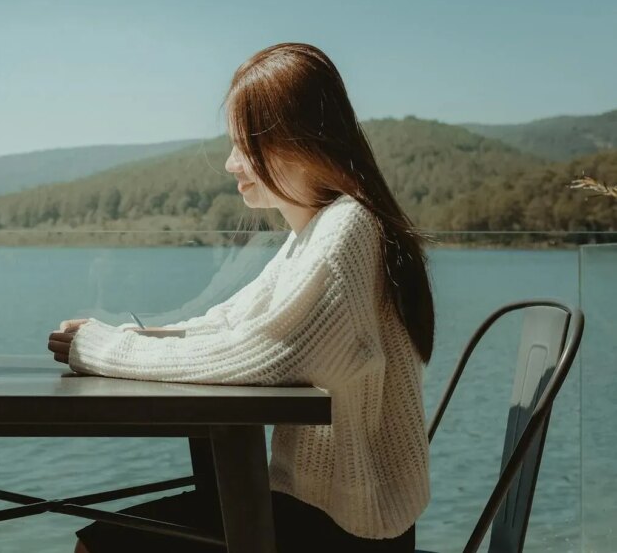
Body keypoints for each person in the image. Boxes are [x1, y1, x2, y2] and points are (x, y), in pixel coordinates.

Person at [48, 42, 433, 553]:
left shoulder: (348, 227)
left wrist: (103, 350)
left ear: (298, 140)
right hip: (321, 506)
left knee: (100, 547)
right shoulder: (319, 231)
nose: (231, 164)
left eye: (243, 145)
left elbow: (266, 354)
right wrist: (127, 337)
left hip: (345, 529)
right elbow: (231, 326)